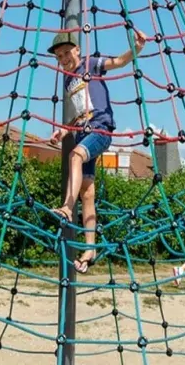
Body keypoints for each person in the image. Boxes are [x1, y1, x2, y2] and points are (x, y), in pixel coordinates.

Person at [48, 26, 149, 273]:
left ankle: (67, 207)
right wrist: (64, 130)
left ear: (78, 50)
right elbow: (77, 113)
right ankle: (90, 249)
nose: (63, 60)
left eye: (66, 53)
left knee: (75, 156)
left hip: (101, 130)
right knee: (88, 192)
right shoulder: (67, 79)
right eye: (58, 57)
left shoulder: (91, 64)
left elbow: (119, 62)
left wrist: (136, 48)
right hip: (84, 132)